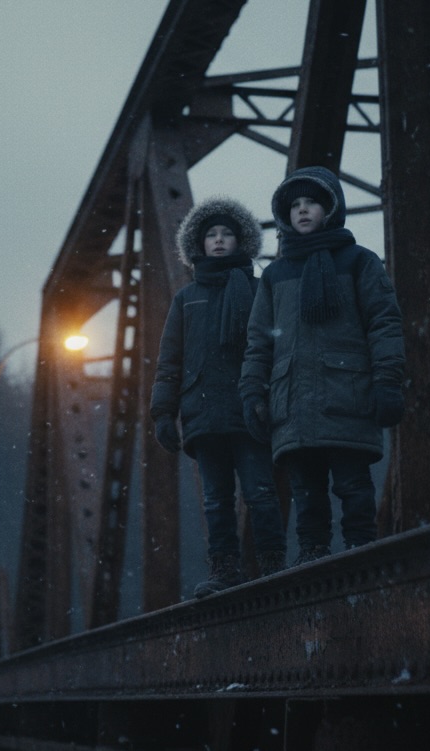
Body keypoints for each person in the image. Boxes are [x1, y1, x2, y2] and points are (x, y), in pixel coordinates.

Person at [240, 166, 404, 564]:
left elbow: (384, 323)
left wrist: (388, 381)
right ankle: (313, 563)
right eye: (294, 204)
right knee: (306, 494)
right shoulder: (275, 274)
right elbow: (258, 340)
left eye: (311, 201)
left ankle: (362, 555)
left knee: (354, 487)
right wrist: (251, 392)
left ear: (331, 207)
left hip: (348, 395)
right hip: (293, 404)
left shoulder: (360, 262)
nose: (302, 210)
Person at [150, 196, 288, 598]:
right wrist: (162, 412)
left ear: (242, 240)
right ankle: (225, 571)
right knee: (216, 501)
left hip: (250, 410)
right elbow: (169, 360)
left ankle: (272, 565)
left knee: (261, 492)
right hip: (204, 413)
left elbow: (277, 350)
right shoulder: (186, 298)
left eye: (228, 233)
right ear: (199, 243)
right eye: (211, 234)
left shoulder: (261, 289)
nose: (220, 240)